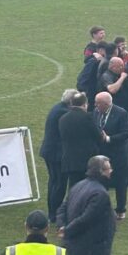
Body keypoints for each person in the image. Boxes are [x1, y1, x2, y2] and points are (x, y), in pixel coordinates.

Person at [40, 88, 78, 224]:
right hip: (57, 154)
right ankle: (54, 213)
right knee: (59, 184)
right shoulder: (64, 112)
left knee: (54, 182)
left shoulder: (57, 108)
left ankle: (52, 212)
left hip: (50, 151)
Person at [93, 92, 128, 220]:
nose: (95, 105)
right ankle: (103, 208)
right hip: (102, 154)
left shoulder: (121, 113)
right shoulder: (96, 112)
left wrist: (108, 138)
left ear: (106, 104)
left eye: (98, 103)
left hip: (118, 155)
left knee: (120, 183)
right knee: (102, 182)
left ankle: (121, 210)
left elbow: (126, 133)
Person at [58, 92, 104, 189]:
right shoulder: (87, 117)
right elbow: (98, 137)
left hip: (69, 160)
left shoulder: (63, 118)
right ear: (84, 104)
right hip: (85, 160)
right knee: (86, 188)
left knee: (74, 188)